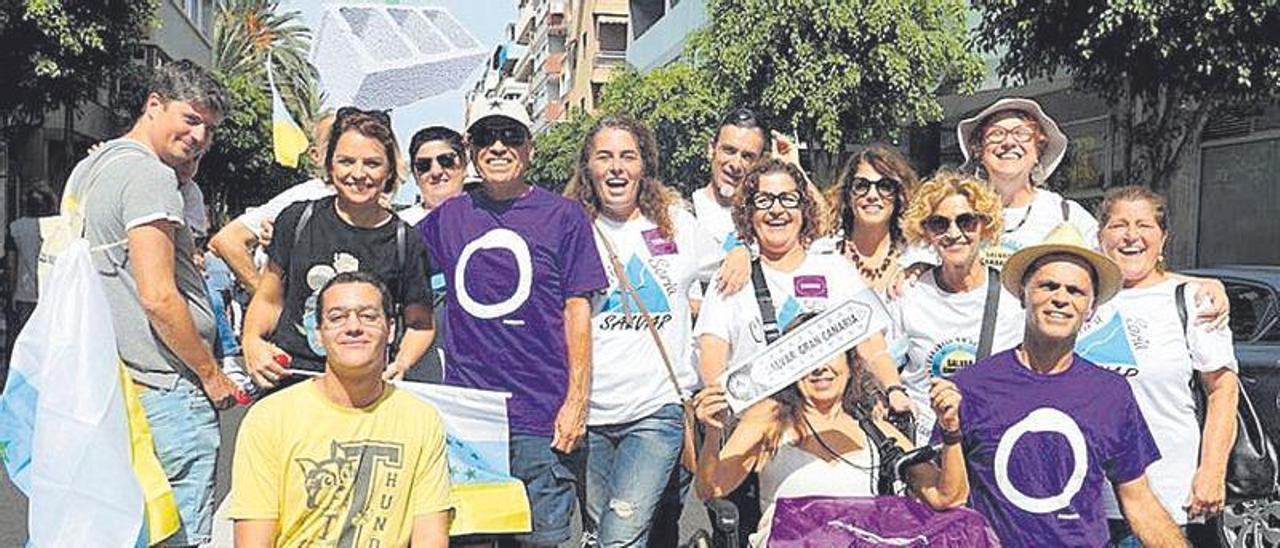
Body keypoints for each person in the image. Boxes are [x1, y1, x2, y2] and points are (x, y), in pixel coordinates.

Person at [417, 97, 607, 547]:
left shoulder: (564, 216)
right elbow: (391, 267)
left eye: (511, 136)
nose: (498, 146)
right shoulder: (448, 218)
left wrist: (576, 401)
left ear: (529, 149)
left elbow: (577, 311)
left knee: (543, 540)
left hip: (541, 415)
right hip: (468, 423)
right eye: (486, 136)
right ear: (471, 149)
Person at [63, 59, 235, 546]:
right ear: (154, 105)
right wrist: (210, 374)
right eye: (191, 118)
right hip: (165, 387)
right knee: (175, 534)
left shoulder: (92, 167)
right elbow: (158, 296)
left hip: (111, 384)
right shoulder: (149, 178)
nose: (200, 135)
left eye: (209, 128)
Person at [945, 221, 1185, 546]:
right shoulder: (972, 385)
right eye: (1048, 286)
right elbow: (946, 495)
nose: (1061, 298)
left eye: (1075, 291)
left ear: (1090, 308)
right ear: (1023, 295)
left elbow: (1139, 501)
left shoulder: (1110, 392)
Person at [565, 115, 735, 546]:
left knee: (620, 534)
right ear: (588, 167)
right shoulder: (570, 227)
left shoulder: (676, 224)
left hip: (656, 409)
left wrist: (743, 255)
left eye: (628, 156)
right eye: (605, 157)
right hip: (591, 413)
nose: (617, 167)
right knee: (601, 532)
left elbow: (729, 273)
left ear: (644, 166)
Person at [692, 311, 968, 546]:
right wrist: (713, 432)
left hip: (863, 539)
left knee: (968, 526)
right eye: (807, 360)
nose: (820, 369)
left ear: (849, 363)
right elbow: (712, 489)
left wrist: (951, 431)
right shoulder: (770, 417)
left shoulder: (873, 427)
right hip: (793, 540)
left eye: (830, 356)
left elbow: (948, 497)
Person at [957, 97, 1229, 324]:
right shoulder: (952, 214)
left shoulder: (1066, 215)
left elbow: (1119, 269)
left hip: (1039, 363)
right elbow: (920, 271)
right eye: (996, 134)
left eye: (1021, 134)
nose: (1008, 143)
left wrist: (1199, 284)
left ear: (1039, 149)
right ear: (979, 150)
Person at [228, 271, 452, 547]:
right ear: (318, 334)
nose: (353, 327)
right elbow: (253, 539)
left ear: (391, 329)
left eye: (368, 316)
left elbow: (430, 535)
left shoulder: (421, 419)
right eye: (337, 318)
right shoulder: (270, 418)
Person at [1079, 186, 1239, 545]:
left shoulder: (1193, 300)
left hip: (1166, 498)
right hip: (1086, 501)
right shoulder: (1080, 298)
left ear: (1162, 237)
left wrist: (1212, 471)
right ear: (1100, 236)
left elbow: (1223, 391)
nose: (1131, 236)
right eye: (1119, 225)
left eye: (1144, 225)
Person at [695, 160, 910, 413]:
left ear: (803, 209)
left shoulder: (836, 270)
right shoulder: (733, 275)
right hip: (756, 427)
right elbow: (712, 348)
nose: (777, 210)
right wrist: (718, 403)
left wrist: (893, 389)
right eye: (764, 200)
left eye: (788, 199)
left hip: (828, 431)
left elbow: (871, 344)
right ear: (749, 213)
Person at [241, 107, 434, 387]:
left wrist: (401, 363)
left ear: (389, 170)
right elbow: (269, 298)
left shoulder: (406, 240)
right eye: (346, 161)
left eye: (372, 163)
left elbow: (420, 324)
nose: (358, 174)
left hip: (364, 390)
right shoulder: (297, 220)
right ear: (330, 165)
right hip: (292, 382)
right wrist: (252, 341)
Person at [890, 171, 1025, 440]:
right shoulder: (909, 292)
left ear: (984, 226)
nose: (954, 233)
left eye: (966, 221)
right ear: (926, 234)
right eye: (939, 224)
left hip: (990, 442)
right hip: (926, 447)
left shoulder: (1014, 297)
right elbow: (884, 360)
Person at [209, 115, 337, 293]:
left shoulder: (375, 205)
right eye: (334, 139)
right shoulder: (306, 197)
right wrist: (265, 298)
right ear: (316, 155)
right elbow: (227, 240)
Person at [825, 144, 920, 293]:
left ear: (899, 195)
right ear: (848, 194)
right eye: (862, 185)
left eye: (885, 186)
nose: (872, 195)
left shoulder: (919, 257)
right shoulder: (822, 255)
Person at [692, 107, 770, 252]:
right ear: (711, 149)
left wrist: (795, 169)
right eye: (729, 150)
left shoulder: (765, 218)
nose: (735, 164)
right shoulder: (682, 213)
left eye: (747, 157)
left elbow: (821, 233)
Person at [4, 187, 56, 385]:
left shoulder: (15, 228)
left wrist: (10, 293)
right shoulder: (56, 227)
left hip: (24, 294)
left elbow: (10, 264)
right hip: (50, 294)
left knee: (20, 339)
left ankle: (19, 379)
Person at [400, 125, 468, 226]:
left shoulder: (490, 218)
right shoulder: (402, 226)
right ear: (414, 175)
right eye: (423, 165)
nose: (436, 172)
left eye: (446, 160)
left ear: (464, 167)